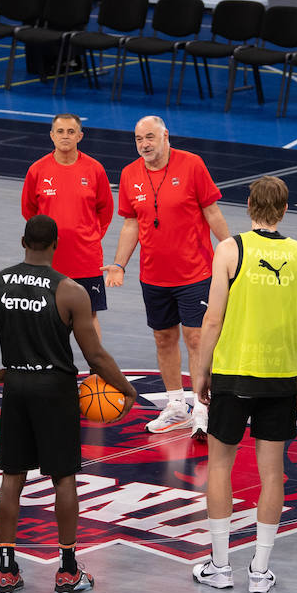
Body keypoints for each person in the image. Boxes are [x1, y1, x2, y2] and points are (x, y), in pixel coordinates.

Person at [0, 216, 137, 593]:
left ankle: (6, 569)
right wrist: (126, 389)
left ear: (23, 241)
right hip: (55, 389)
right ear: (56, 245)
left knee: (12, 476)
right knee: (63, 477)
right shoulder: (69, 291)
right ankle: (67, 571)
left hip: (16, 385)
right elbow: (95, 357)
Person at [189, 177, 297, 593]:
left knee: (221, 465)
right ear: (284, 209)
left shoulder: (230, 250)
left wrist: (202, 373)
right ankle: (260, 570)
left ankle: (220, 565)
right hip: (280, 377)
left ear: (248, 205)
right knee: (272, 472)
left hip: (234, 373)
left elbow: (212, 320)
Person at [106, 115, 229, 438]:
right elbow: (131, 223)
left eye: (149, 137)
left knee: (197, 339)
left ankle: (202, 406)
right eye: (138, 139)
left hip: (195, 272)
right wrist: (119, 264)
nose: (144, 144)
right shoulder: (130, 174)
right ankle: (176, 404)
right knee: (164, 338)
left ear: (165, 136)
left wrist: (232, 253)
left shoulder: (192, 165)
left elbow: (212, 211)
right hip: (154, 276)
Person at [22, 113, 114, 340]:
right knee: (46, 314)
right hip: (48, 260)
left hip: (86, 259)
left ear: (80, 136)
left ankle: (96, 372)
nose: (65, 136)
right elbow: (29, 211)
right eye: (60, 131)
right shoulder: (37, 170)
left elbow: (106, 210)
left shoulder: (94, 169)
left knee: (89, 315)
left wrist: (89, 236)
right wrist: (45, 242)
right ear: (52, 135)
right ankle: (51, 370)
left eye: (71, 132)